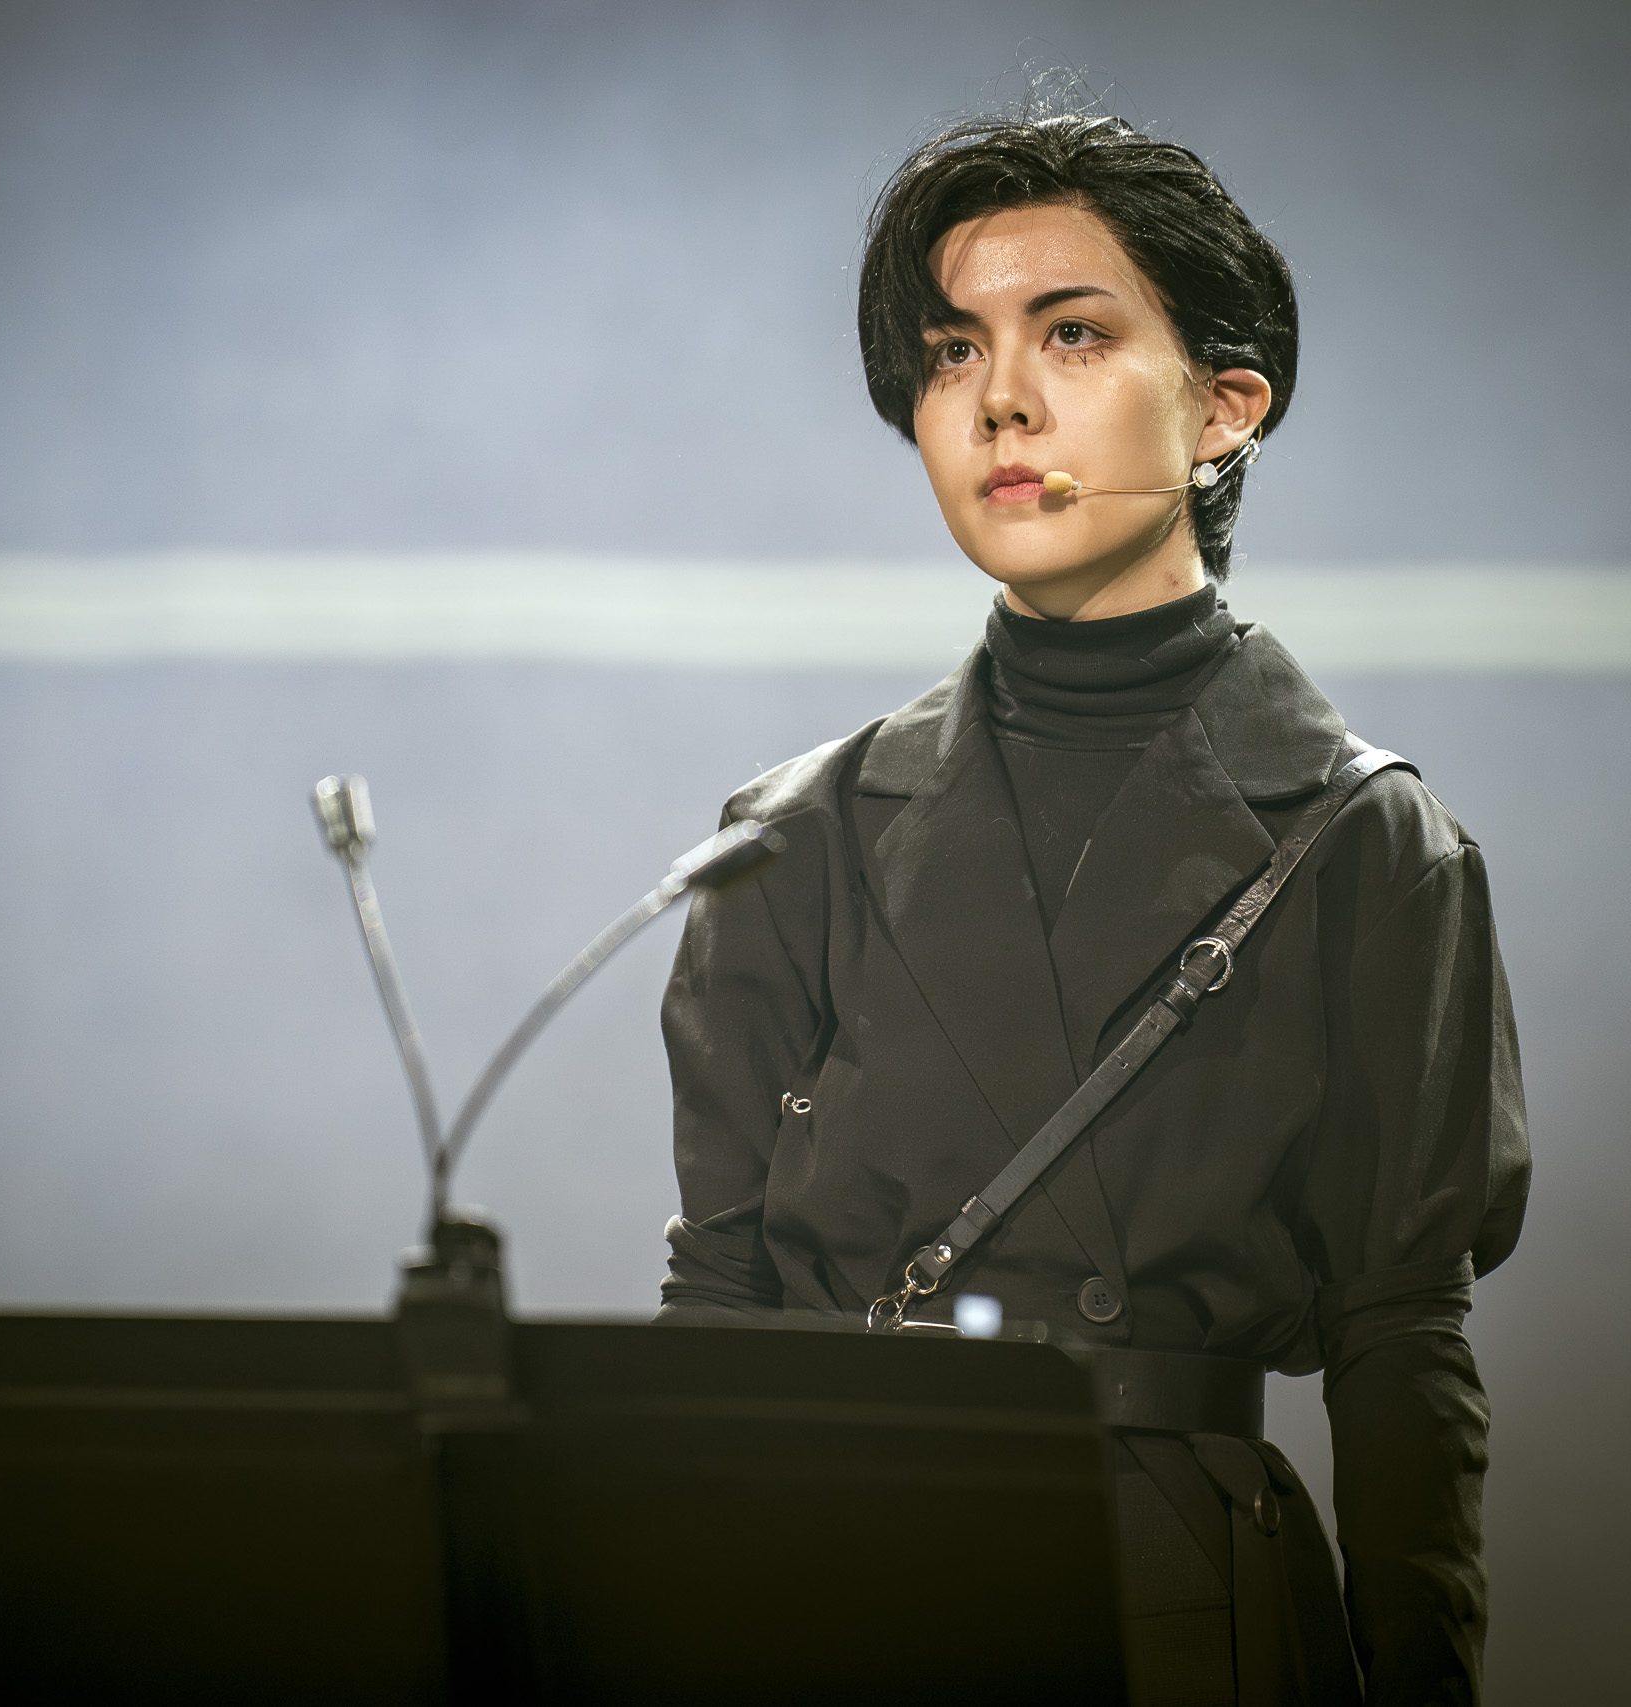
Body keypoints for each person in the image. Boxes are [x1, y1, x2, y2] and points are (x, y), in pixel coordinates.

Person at [654, 108, 1530, 1706]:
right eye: (950, 350)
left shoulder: (1369, 846)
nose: (999, 397)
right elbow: (717, 1306)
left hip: (1176, 1600)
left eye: (1072, 333)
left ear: (1225, 408)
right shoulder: (790, 841)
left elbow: (1402, 1340)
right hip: (825, 1585)